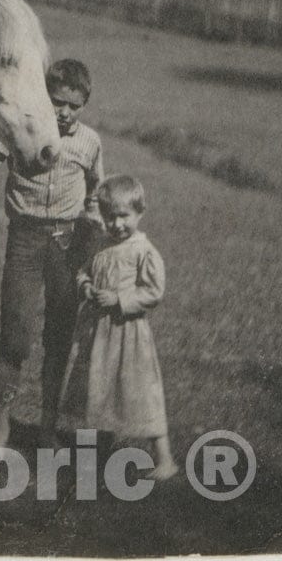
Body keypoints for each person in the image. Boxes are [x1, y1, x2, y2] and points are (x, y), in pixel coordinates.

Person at [0, 58, 103, 451]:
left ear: (84, 104)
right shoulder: (19, 133)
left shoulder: (90, 143)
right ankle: (0, 430)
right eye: (56, 102)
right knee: (15, 339)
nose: (63, 112)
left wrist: (94, 247)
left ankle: (47, 428)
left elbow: (97, 195)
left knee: (60, 338)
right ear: (42, 97)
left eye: (73, 105)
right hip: (26, 243)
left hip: (69, 246)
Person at [59, 174, 177, 480]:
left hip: (128, 334)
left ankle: (164, 459)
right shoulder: (100, 243)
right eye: (110, 217)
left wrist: (119, 299)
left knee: (141, 392)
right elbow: (84, 271)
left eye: (124, 216)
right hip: (97, 333)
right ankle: (96, 454)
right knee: (97, 388)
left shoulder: (143, 251)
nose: (117, 224)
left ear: (140, 213)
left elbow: (153, 292)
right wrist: (85, 286)